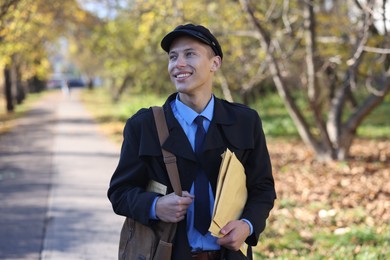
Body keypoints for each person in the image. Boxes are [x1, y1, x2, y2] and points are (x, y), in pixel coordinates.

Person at [108, 24, 276, 260]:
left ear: (214, 63)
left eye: (190, 54)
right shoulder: (143, 125)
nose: (179, 64)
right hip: (167, 254)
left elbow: (263, 188)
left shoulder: (245, 121)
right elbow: (120, 193)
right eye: (173, 57)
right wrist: (155, 206)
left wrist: (247, 225)